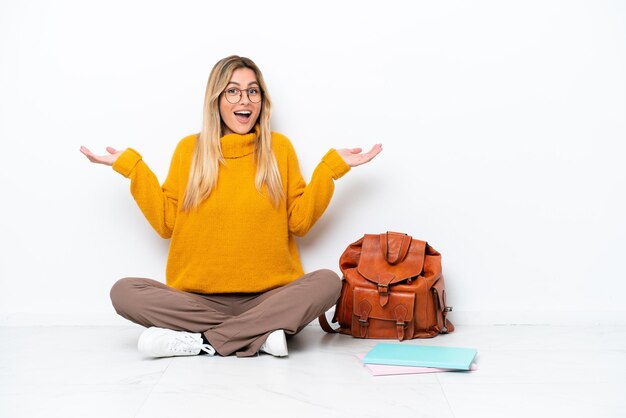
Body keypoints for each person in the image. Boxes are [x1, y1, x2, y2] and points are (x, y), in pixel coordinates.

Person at [80, 55, 382, 358]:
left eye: (253, 91)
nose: (245, 100)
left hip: (269, 299)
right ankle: (258, 335)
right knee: (123, 292)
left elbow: (300, 223)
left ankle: (203, 341)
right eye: (233, 91)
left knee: (328, 283)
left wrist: (329, 170)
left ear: (262, 99)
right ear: (217, 99)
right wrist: (133, 169)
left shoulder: (280, 149)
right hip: (197, 301)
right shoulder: (189, 151)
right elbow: (166, 223)